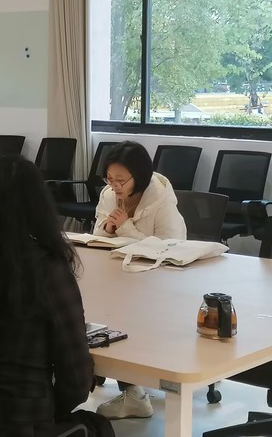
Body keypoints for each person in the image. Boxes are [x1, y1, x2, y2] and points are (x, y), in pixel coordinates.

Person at [0, 156, 114, 437]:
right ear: (38, 205)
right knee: (99, 426)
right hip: (22, 421)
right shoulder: (47, 268)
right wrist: (52, 412)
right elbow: (76, 378)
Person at [92, 140, 186, 419]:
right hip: (117, 275)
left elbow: (171, 247)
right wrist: (108, 228)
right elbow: (97, 233)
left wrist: (126, 227)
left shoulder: (161, 198)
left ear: (140, 176)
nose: (114, 186)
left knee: (121, 313)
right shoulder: (109, 194)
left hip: (159, 282)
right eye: (109, 179)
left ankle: (134, 392)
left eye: (121, 180)